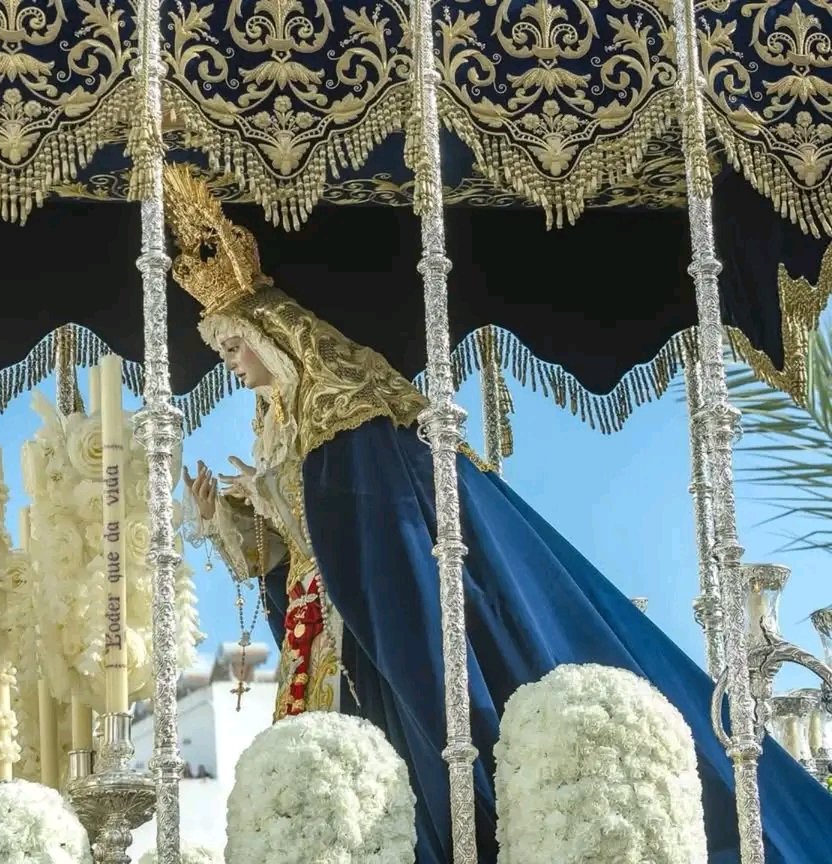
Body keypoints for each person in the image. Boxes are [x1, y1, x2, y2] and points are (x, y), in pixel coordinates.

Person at [165, 164, 832, 864]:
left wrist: (290, 513)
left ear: (278, 338)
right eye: (222, 351)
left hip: (384, 636)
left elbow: (372, 543)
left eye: (235, 345)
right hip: (332, 646)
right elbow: (309, 556)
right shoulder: (291, 441)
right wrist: (235, 526)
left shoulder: (351, 428)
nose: (232, 364)